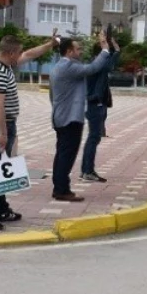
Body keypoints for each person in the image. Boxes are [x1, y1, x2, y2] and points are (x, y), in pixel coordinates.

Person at [0, 31, 59, 230]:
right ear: (11, 52)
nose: (21, 56)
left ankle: (2, 209)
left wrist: (50, 44)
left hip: (5, 124)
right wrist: (2, 133)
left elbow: (30, 54)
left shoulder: (4, 66)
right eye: (18, 52)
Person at [48, 33, 113, 201]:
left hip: (60, 117)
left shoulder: (57, 67)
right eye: (78, 49)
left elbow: (51, 95)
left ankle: (59, 187)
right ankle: (62, 190)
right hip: (70, 119)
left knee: (61, 153)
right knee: (67, 155)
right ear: (69, 51)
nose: (80, 51)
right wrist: (105, 49)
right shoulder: (68, 67)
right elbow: (92, 68)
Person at [80, 32, 120, 183]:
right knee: (93, 137)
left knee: (94, 138)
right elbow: (109, 62)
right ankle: (87, 171)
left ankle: (86, 170)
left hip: (98, 103)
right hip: (95, 104)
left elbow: (112, 60)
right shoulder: (96, 66)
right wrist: (106, 44)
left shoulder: (98, 64)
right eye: (106, 53)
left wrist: (115, 48)